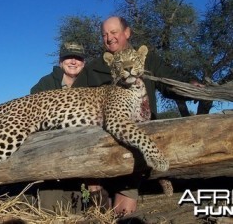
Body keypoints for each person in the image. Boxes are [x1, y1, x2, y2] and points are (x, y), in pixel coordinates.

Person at [72, 16, 198, 216]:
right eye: (104, 34)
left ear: (127, 32)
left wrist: (189, 85)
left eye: (114, 32)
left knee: (123, 212)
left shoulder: (147, 59)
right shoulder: (93, 68)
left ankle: (154, 179)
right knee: (95, 208)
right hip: (99, 147)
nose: (109, 38)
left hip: (136, 146)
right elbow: (71, 100)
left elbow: (168, 79)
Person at [30, 41, 86, 213]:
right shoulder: (45, 84)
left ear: (83, 63)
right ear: (61, 61)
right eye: (69, 57)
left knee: (75, 209)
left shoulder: (91, 83)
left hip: (79, 155)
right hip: (50, 154)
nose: (73, 62)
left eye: (78, 58)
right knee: (49, 209)